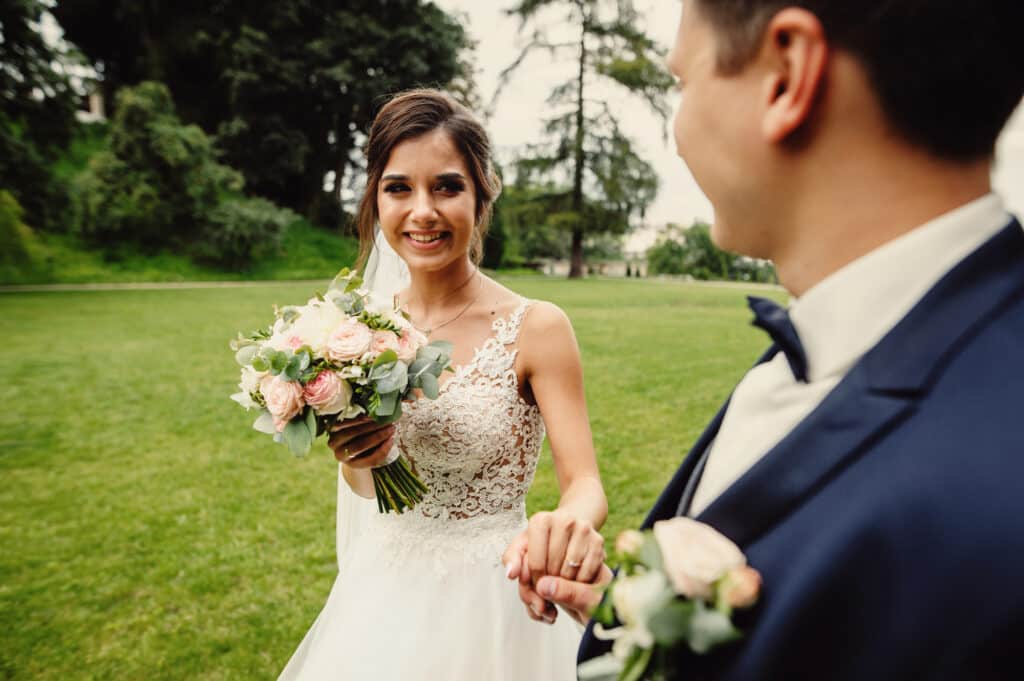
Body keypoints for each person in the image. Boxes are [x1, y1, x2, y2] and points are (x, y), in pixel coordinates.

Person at [515, 1, 1024, 679]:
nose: (678, 133)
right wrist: (642, 620)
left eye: (683, 80)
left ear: (785, 75)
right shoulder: (837, 337)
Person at [277, 89, 607, 680]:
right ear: (376, 199)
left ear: (482, 195)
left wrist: (568, 523)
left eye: (447, 187)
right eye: (399, 188)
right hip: (383, 590)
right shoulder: (355, 331)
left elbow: (585, 483)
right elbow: (364, 487)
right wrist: (361, 456)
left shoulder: (537, 328)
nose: (422, 211)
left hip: (495, 593)